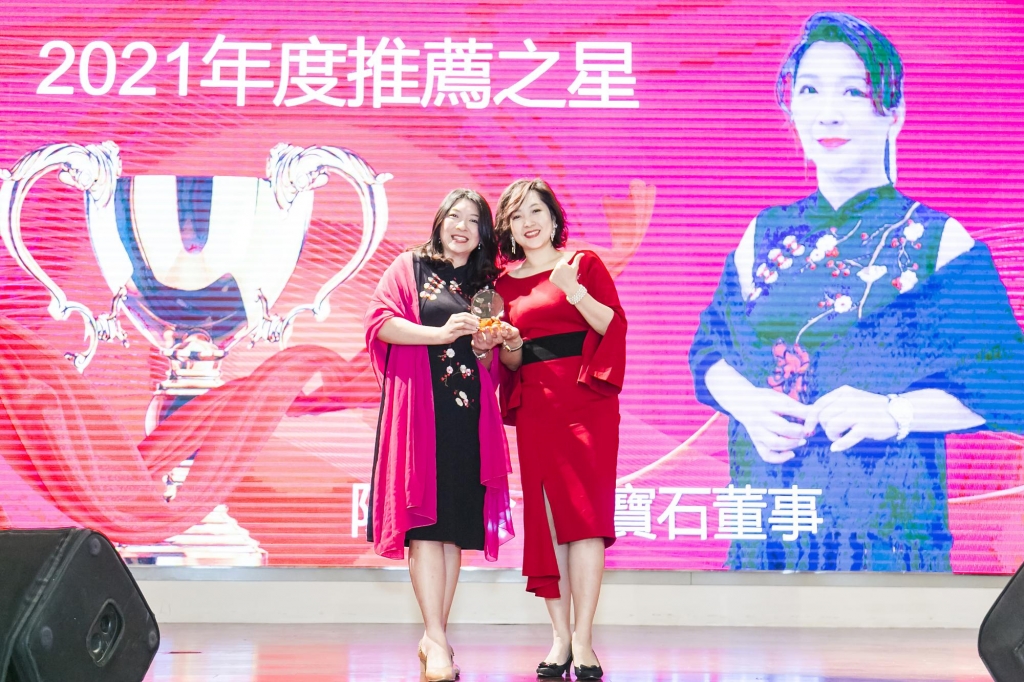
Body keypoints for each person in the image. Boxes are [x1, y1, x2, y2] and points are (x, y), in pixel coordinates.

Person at [689, 12, 1024, 572]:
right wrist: (746, 404)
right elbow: (709, 352)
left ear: (893, 111)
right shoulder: (765, 232)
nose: (829, 112)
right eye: (810, 90)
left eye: (853, 91)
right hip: (769, 528)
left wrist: (895, 413)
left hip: (884, 535)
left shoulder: (939, 241)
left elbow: (1009, 384)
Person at [363, 189, 514, 682]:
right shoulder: (409, 266)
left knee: (452, 533)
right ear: (440, 221)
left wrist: (486, 346)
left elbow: (489, 364)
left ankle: (435, 638)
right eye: (454, 216)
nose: (462, 226)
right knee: (425, 527)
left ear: (484, 234)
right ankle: (436, 637)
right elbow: (380, 324)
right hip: (419, 417)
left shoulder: (486, 285)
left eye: (473, 220)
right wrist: (441, 333)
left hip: (468, 420)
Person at [494, 178, 627, 681]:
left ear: (553, 217)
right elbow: (511, 361)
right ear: (508, 229)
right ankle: (559, 638)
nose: (528, 223)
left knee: (586, 522)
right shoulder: (502, 287)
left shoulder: (583, 264)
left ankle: (584, 639)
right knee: (547, 524)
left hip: (588, 404)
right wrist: (508, 343)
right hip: (538, 407)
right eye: (517, 216)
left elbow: (612, 326)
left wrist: (573, 290)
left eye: (536, 211)